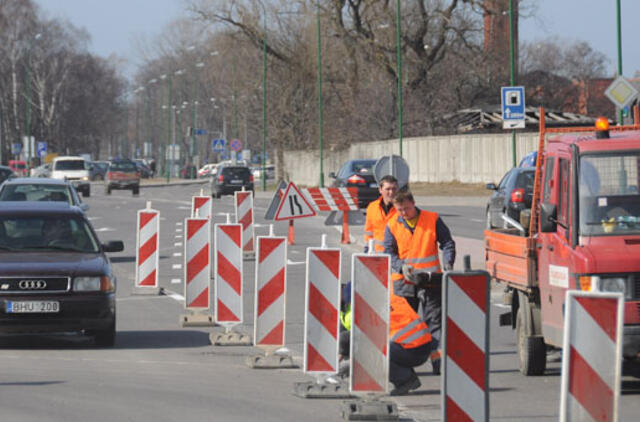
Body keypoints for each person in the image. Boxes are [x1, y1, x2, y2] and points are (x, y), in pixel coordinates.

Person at [383, 189, 456, 375]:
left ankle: (437, 360)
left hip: (430, 280)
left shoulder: (432, 219)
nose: (403, 213)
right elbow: (389, 253)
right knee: (403, 325)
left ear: (413, 203)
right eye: (399, 210)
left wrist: (448, 262)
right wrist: (401, 267)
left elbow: (447, 242)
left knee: (434, 322)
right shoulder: (392, 225)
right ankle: (402, 362)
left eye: (406, 209)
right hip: (404, 283)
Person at [364, 175, 398, 253]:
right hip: (377, 253)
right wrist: (367, 248)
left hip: (397, 254)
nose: (391, 192)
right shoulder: (372, 207)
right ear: (380, 190)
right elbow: (369, 231)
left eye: (394, 189)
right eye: (388, 189)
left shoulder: (403, 208)